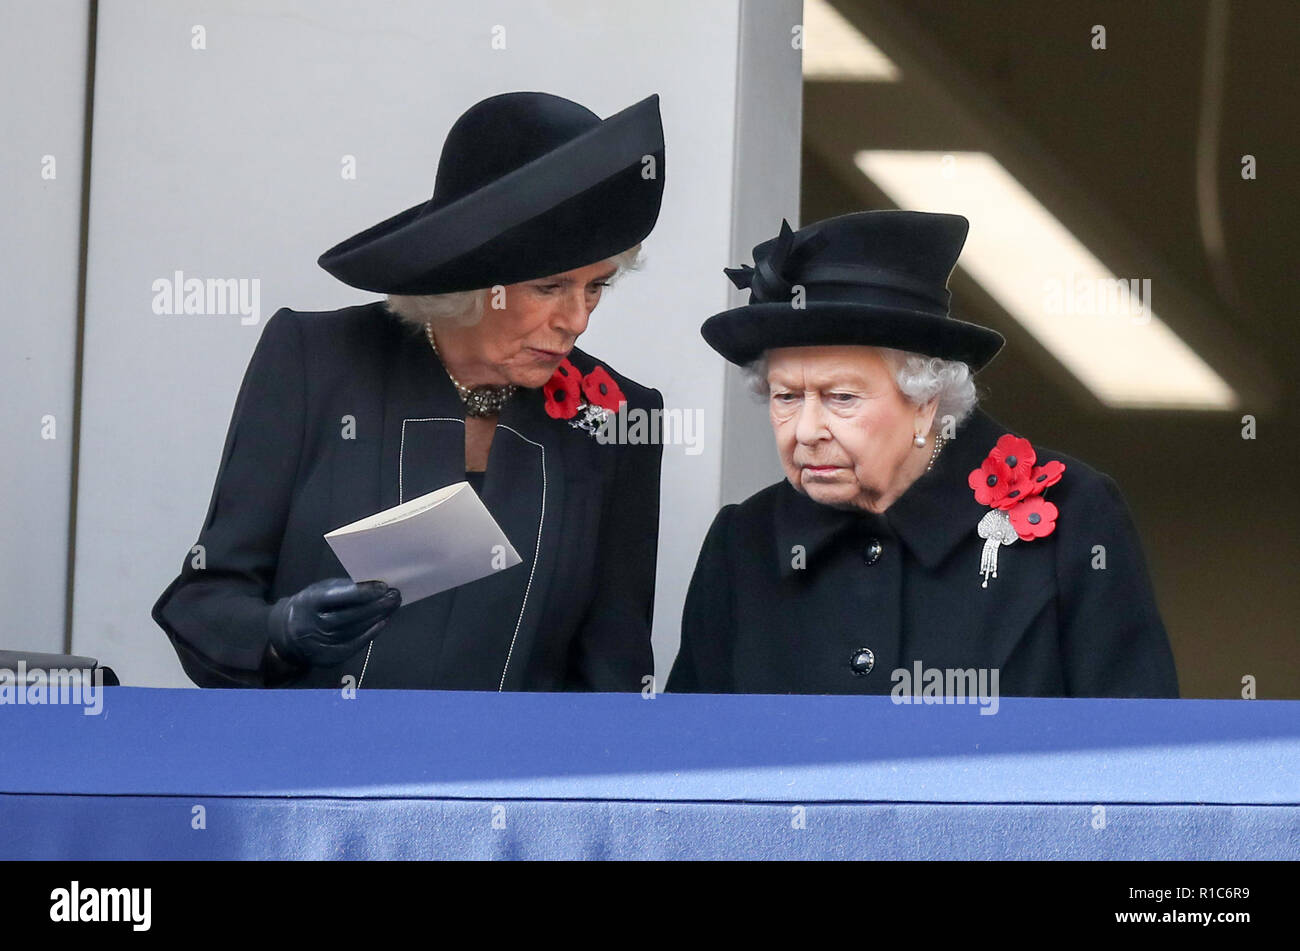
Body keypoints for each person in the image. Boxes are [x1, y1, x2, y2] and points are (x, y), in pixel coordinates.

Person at [153, 91, 666, 690]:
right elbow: (206, 596)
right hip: (309, 768)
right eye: (550, 287)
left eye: (596, 287)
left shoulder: (611, 414)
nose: (576, 320)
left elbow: (614, 664)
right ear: (471, 280)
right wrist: (278, 632)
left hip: (503, 779)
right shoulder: (315, 362)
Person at [668, 210, 1178, 697]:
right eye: (787, 397)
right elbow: (687, 760)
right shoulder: (743, 542)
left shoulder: (1072, 517)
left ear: (924, 403)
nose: (806, 431)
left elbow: (1137, 753)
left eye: (841, 397)